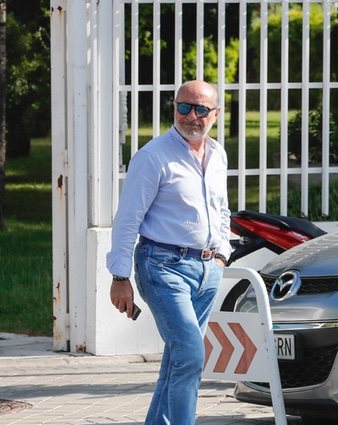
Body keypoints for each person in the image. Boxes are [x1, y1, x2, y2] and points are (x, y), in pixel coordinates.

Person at [106, 80, 232, 425]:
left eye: (201, 109)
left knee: (177, 359)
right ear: (174, 108)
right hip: (162, 267)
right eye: (184, 107)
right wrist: (120, 277)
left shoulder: (218, 154)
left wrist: (222, 252)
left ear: (215, 114)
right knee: (191, 355)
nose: (192, 116)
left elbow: (221, 209)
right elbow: (127, 219)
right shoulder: (153, 156)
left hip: (207, 270)